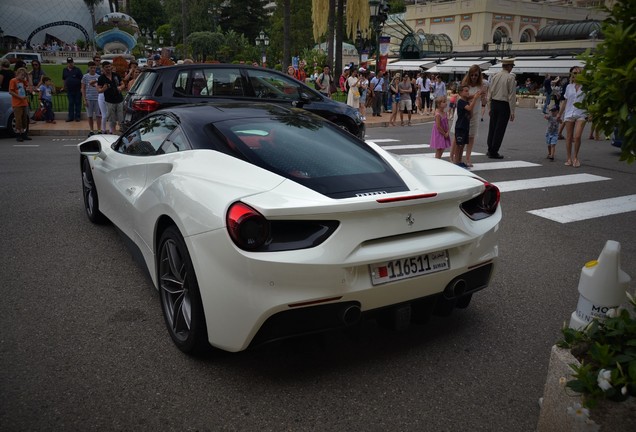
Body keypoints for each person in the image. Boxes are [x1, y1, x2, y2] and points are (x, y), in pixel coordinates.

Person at [453, 64, 488, 167]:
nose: (473, 77)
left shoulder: (482, 85)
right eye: (472, 75)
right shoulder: (465, 84)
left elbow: (484, 102)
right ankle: (455, 158)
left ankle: (467, 158)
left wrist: (484, 96)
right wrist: (476, 95)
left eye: (476, 75)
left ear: (479, 75)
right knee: (459, 137)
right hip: (464, 114)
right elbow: (464, 98)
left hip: (475, 113)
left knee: (471, 137)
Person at [486, 58, 516, 159]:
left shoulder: (495, 76)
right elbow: (511, 95)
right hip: (504, 105)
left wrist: (489, 106)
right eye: (511, 66)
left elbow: (490, 92)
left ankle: (490, 149)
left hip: (494, 103)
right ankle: (494, 151)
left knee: (492, 127)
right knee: (500, 129)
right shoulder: (510, 78)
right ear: (508, 66)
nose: (511, 68)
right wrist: (512, 111)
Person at [557, 66, 586, 168]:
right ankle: (569, 158)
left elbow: (589, 101)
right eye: (574, 73)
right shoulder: (569, 87)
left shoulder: (585, 87)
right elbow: (565, 102)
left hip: (581, 113)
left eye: (578, 73)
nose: (576, 75)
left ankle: (576, 157)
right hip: (569, 113)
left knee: (577, 136)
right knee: (569, 137)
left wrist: (591, 113)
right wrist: (559, 114)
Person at [452, 85, 482, 167]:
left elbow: (470, 114)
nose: (467, 92)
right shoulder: (461, 101)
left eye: (468, 91)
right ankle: (456, 161)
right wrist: (475, 99)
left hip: (466, 126)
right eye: (465, 91)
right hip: (460, 127)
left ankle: (460, 160)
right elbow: (468, 109)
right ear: (460, 92)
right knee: (459, 145)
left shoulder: (467, 102)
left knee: (463, 145)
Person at [97, 60, 126, 134]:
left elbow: (123, 84)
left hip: (119, 100)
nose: (108, 68)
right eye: (106, 67)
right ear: (103, 68)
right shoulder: (101, 78)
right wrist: (103, 89)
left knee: (121, 119)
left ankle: (122, 133)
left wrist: (121, 87)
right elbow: (98, 90)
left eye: (109, 66)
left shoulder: (116, 75)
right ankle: (113, 133)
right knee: (112, 119)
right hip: (109, 101)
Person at [8, 67, 31, 141]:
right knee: (18, 119)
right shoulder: (13, 81)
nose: (23, 77)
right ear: (17, 74)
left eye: (24, 75)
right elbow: (11, 91)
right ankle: (18, 134)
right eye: (22, 75)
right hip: (17, 103)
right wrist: (19, 97)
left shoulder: (23, 81)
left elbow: (29, 85)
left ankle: (24, 133)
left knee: (24, 119)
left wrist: (28, 76)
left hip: (24, 102)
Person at [81, 61, 101, 135]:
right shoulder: (85, 76)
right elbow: (83, 88)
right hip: (89, 98)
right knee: (90, 116)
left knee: (98, 115)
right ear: (88, 68)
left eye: (94, 68)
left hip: (97, 98)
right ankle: (91, 130)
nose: (93, 69)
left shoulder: (98, 77)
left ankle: (99, 130)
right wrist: (84, 99)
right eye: (91, 68)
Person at [62, 57, 83, 122]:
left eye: (71, 62)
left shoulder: (77, 70)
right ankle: (70, 117)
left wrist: (82, 88)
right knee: (71, 103)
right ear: (67, 63)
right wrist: (64, 86)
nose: (70, 64)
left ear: (73, 62)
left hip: (77, 89)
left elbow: (82, 79)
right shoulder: (65, 70)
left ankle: (77, 117)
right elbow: (64, 79)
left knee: (77, 103)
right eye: (69, 63)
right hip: (69, 90)